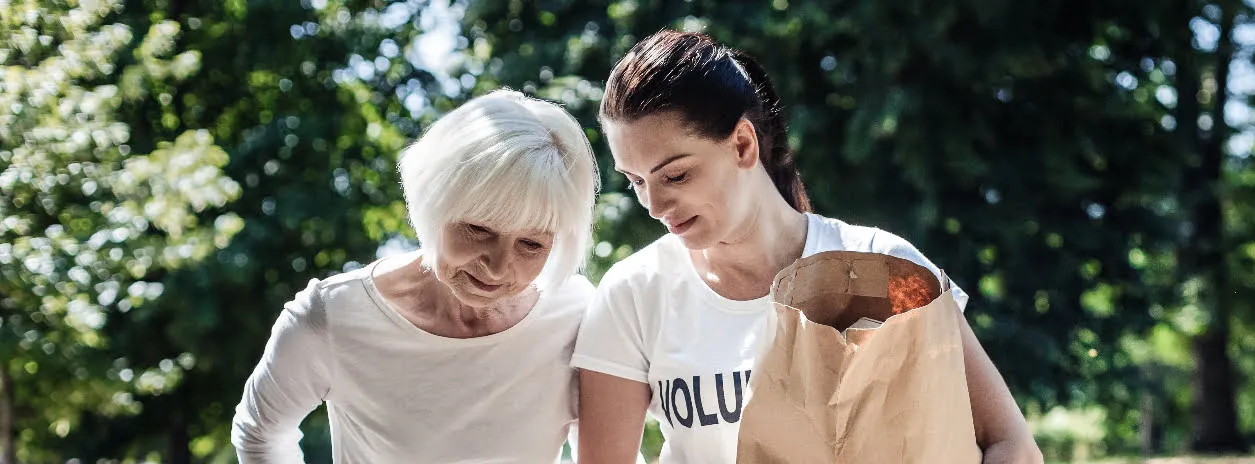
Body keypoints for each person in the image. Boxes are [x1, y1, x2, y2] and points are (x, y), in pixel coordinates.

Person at [572, 30, 1044, 464]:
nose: (654, 206)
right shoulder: (634, 294)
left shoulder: (882, 268)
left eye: (676, 175)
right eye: (635, 181)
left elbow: (1013, 445)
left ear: (742, 145)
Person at [231, 89, 600, 463]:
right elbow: (260, 434)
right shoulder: (332, 316)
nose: (498, 266)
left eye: (531, 244)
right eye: (478, 229)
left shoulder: (577, 314)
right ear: (433, 203)